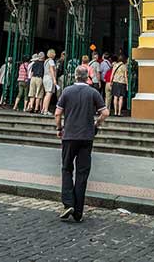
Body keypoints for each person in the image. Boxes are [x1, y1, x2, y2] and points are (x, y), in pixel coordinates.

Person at [54, 66, 108, 223]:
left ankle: (68, 203)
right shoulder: (93, 92)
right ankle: (78, 211)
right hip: (87, 136)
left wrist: (59, 128)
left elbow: (57, 113)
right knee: (82, 173)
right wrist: (96, 125)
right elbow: (105, 113)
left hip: (69, 135)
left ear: (75, 77)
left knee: (66, 168)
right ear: (87, 77)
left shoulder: (67, 91)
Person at [40, 49, 58, 115]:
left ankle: (43, 109)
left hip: (45, 77)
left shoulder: (46, 61)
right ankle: (46, 110)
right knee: (49, 94)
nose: (55, 54)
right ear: (52, 54)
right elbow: (51, 70)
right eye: (54, 53)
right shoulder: (51, 61)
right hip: (49, 78)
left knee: (46, 94)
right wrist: (54, 79)